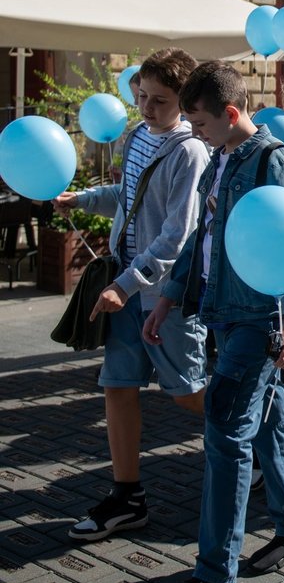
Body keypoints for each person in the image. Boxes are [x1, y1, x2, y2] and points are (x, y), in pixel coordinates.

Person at [146, 62, 284, 583]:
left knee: (224, 434)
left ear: (231, 112)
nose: (194, 133)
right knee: (270, 421)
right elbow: (203, 239)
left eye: (198, 123)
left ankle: (214, 573)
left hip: (258, 320)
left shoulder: (277, 162)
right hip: (225, 311)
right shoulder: (218, 160)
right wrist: (168, 298)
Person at [59, 48, 209, 542]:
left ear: (184, 102)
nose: (146, 109)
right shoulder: (138, 135)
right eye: (141, 97)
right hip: (124, 286)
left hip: (160, 293)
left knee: (186, 390)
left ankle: (251, 442)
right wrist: (83, 199)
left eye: (159, 101)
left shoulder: (190, 151)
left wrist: (126, 285)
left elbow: (176, 234)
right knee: (117, 385)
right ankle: (128, 495)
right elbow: (127, 197)